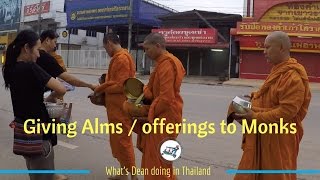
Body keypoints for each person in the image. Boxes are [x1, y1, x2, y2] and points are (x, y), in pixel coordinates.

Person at [227, 31, 312, 180]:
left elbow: (286, 113)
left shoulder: (293, 77)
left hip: (279, 140)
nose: (263, 51)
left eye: (267, 47)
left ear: (281, 48)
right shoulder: (278, 70)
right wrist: (254, 96)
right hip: (266, 133)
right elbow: (271, 94)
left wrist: (254, 116)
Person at [2, 29, 66, 180]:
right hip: (39, 134)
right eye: (37, 49)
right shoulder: (30, 67)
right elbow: (61, 89)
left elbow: (27, 96)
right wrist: (51, 97)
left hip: (23, 134)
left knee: (34, 172)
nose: (38, 54)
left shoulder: (10, 69)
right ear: (26, 48)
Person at [136, 32, 185, 180]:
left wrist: (149, 115)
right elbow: (154, 92)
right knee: (162, 161)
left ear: (158, 46)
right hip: (163, 114)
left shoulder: (167, 64)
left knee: (156, 163)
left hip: (165, 117)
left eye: (148, 49)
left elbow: (166, 98)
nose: (146, 53)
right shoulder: (162, 63)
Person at [94, 33, 137, 180]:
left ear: (109, 43)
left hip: (121, 108)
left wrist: (101, 88)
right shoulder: (119, 57)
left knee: (123, 141)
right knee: (118, 141)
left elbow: (121, 85)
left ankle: (134, 176)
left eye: (105, 47)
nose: (106, 50)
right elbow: (116, 79)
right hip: (114, 108)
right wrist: (106, 81)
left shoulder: (123, 58)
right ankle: (123, 174)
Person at [37, 30, 96, 102]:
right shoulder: (47, 58)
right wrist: (90, 85)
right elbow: (68, 79)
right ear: (47, 40)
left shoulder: (31, 55)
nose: (55, 46)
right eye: (55, 42)